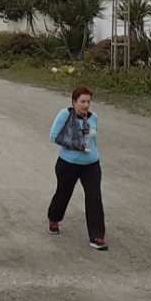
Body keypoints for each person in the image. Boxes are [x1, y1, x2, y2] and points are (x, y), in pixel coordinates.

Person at [46, 86, 106, 251]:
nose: (86, 105)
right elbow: (53, 136)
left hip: (91, 164)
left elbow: (92, 141)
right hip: (68, 163)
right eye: (82, 101)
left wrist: (89, 150)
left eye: (88, 101)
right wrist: (76, 145)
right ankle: (54, 218)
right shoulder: (65, 115)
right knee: (63, 194)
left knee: (94, 197)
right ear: (74, 102)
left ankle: (97, 236)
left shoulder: (94, 118)